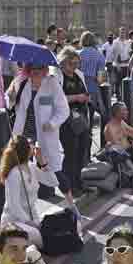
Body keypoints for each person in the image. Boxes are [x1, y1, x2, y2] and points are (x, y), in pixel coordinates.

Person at [8, 62, 74, 205]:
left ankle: (72, 206)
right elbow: (9, 103)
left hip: (45, 134)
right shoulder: (20, 81)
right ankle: (25, 206)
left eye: (38, 69)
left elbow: (63, 110)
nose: (34, 72)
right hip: (24, 134)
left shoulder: (52, 84)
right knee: (20, 170)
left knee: (54, 171)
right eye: (31, 69)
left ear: (45, 70)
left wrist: (52, 123)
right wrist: (10, 96)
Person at [55, 47, 91, 197]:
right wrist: (77, 97)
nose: (74, 67)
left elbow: (84, 91)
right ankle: (68, 185)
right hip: (66, 120)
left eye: (77, 63)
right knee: (71, 152)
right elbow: (56, 99)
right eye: (71, 63)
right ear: (63, 62)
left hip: (80, 118)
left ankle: (78, 182)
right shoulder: (56, 76)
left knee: (82, 150)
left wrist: (86, 98)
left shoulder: (78, 75)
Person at [0, 135, 45, 248]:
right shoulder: (14, 174)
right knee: (36, 235)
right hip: (13, 221)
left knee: (47, 232)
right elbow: (13, 205)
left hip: (32, 218)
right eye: (31, 144)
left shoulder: (32, 167)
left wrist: (42, 162)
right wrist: (30, 223)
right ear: (26, 150)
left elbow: (53, 182)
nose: (34, 146)